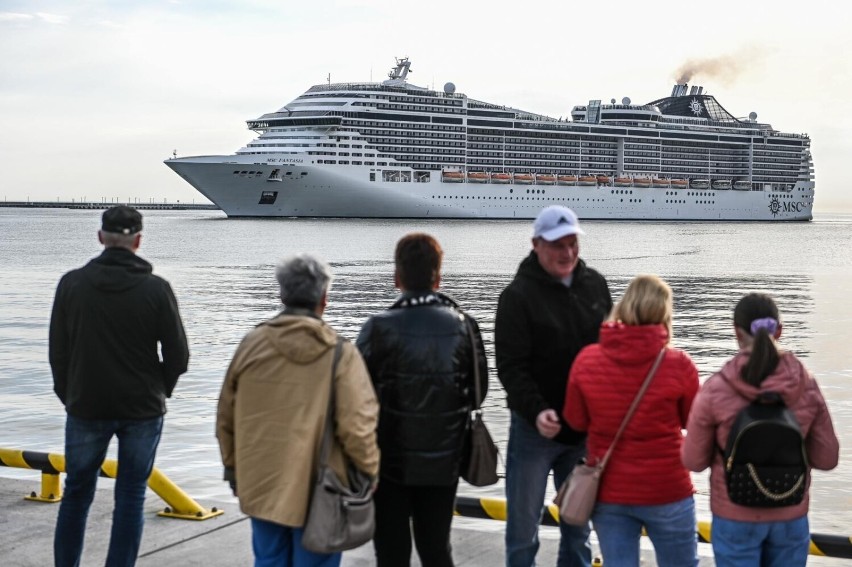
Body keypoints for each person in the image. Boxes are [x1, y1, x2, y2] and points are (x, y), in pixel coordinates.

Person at [216, 254, 379, 567]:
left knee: (269, 561)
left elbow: (226, 416)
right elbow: (356, 425)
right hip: (321, 487)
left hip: (261, 479)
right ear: (324, 299)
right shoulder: (341, 353)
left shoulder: (252, 344)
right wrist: (370, 469)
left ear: (282, 294)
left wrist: (233, 468)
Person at [49, 205, 189, 567]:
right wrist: (160, 389)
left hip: (86, 406)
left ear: (100, 238)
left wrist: (71, 395)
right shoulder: (157, 290)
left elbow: (58, 352)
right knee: (130, 496)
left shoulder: (71, 284)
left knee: (76, 494)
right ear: (139, 241)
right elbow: (179, 356)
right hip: (142, 408)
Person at [356, 233, 488, 567]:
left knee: (391, 552)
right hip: (444, 460)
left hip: (388, 464)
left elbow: (356, 399)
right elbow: (478, 391)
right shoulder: (464, 326)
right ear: (438, 276)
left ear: (396, 277)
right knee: (436, 548)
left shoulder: (376, 328)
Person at [682, 292, 839, 567]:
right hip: (789, 514)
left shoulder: (717, 388)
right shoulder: (806, 385)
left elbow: (693, 461)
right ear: (779, 330)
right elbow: (827, 459)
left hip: (735, 516)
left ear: (736, 333)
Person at [495, 206, 612, 567]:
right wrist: (536, 409)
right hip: (534, 430)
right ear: (536, 245)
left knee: (579, 528)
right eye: (558, 244)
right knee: (522, 529)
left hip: (582, 431)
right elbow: (511, 368)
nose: (567, 252)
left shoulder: (595, 285)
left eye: (572, 243)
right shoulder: (516, 297)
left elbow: (609, 354)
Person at [563, 275, 700, 567]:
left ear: (624, 306)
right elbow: (693, 423)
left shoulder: (587, 360)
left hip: (610, 491)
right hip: (668, 489)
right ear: (665, 313)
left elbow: (575, 422)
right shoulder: (679, 365)